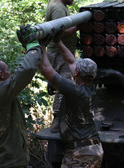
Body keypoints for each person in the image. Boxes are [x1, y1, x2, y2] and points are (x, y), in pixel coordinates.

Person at [0, 26, 48, 168]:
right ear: (1, 75)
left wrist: (41, 46)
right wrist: (33, 46)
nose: (10, 74)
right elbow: (25, 71)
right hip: (5, 164)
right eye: (8, 71)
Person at [39, 30, 104, 168]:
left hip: (80, 154)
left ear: (76, 73)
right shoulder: (90, 88)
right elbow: (70, 60)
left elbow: (45, 69)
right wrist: (58, 41)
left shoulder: (75, 91)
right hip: (93, 149)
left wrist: (39, 45)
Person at [45, 0, 80, 132]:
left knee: (64, 85)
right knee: (65, 86)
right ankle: (58, 120)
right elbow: (59, 32)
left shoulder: (60, 6)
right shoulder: (58, 8)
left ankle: (61, 120)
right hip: (60, 54)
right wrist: (78, 27)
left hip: (61, 53)